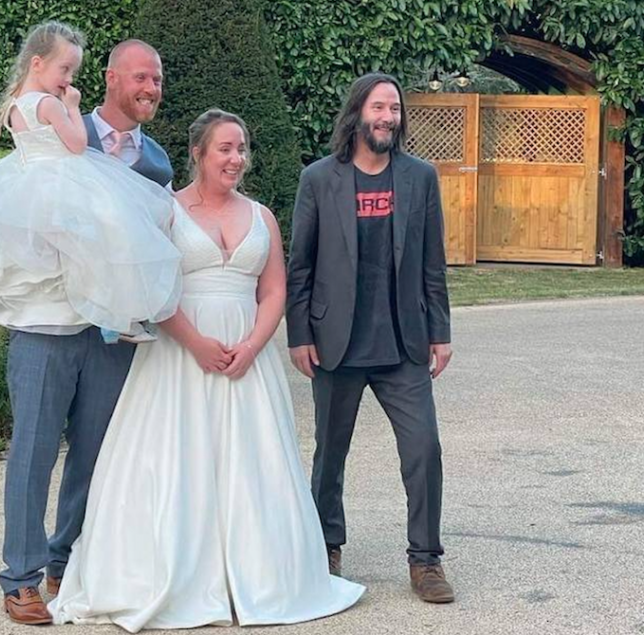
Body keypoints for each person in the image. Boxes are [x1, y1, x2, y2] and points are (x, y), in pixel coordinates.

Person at [50, 110, 365, 632]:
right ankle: (178, 574)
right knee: (179, 458)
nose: (236, 159)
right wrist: (194, 342)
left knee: (252, 462)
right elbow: (153, 288)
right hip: (179, 357)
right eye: (225, 149)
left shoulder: (261, 217)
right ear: (197, 153)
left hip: (247, 359)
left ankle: (257, 575)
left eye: (241, 149)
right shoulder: (165, 212)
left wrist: (254, 344)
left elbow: (274, 289)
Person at [0, 24, 179, 625]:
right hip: (45, 326)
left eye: (157, 79)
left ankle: (66, 562)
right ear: (110, 78)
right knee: (33, 451)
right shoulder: (56, 131)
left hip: (110, 332)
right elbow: (20, 221)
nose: (151, 87)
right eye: (141, 76)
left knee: (96, 454)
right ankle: (21, 579)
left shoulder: (156, 161)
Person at [286, 73, 456, 603]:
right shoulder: (320, 179)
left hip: (403, 344)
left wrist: (441, 332)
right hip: (335, 343)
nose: (388, 117)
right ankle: (325, 548)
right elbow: (300, 265)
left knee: (424, 448)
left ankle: (425, 560)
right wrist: (298, 334)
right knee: (329, 455)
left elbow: (432, 262)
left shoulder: (419, 177)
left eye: (395, 109)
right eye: (379, 107)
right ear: (358, 113)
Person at [0, 25, 180, 360]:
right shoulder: (50, 105)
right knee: (106, 233)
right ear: (38, 63)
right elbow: (77, 143)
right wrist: (71, 107)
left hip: (27, 185)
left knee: (11, 252)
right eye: (65, 69)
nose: (69, 79)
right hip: (62, 182)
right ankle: (114, 318)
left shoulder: (15, 106)